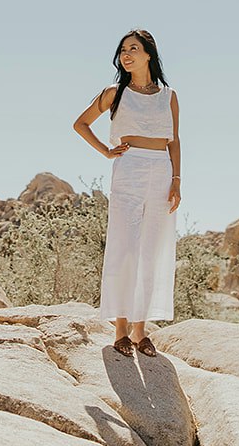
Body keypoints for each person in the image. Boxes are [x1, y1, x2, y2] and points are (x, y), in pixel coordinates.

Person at [72, 29, 181, 358]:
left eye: (134, 48)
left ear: (149, 54)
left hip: (161, 170)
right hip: (129, 168)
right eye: (122, 50)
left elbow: (174, 140)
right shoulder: (114, 93)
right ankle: (120, 330)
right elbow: (81, 123)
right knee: (125, 248)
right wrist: (106, 151)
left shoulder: (169, 96)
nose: (126, 54)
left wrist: (177, 180)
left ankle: (140, 331)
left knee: (151, 251)